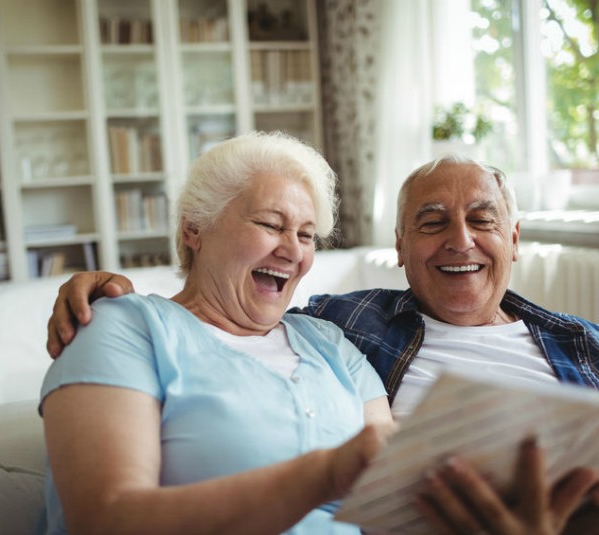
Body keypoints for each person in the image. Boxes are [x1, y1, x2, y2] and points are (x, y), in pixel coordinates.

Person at [46, 154, 599, 533]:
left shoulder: (593, 349)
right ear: (398, 249)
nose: (460, 240)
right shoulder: (355, 325)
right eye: (432, 224)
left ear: (514, 238)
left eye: (482, 220)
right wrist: (105, 292)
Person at [38, 131, 396, 534]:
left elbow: (392, 499)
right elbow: (104, 519)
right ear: (194, 228)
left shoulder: (331, 345)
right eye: (270, 224)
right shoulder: (124, 328)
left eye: (306, 235)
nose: (293, 251)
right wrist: (324, 474)